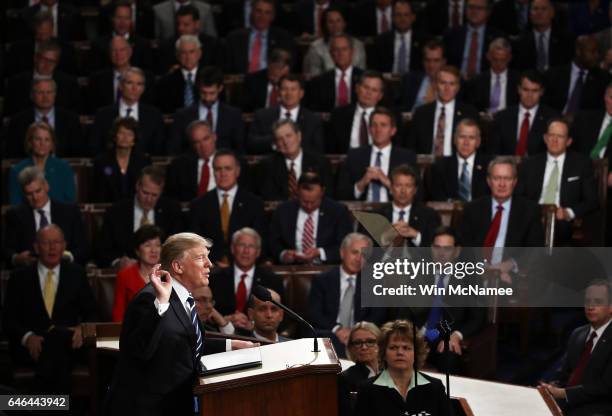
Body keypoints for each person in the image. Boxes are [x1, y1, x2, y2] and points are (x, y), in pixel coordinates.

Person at [107, 232, 256, 416]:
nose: (209, 264)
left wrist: (231, 345)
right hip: (148, 408)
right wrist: (161, 303)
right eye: (201, 258)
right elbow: (138, 351)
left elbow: (182, 343)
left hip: (176, 403)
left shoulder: (184, 297)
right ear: (178, 266)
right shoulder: (150, 299)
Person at [2, 225, 98, 393]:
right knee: (58, 348)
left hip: (70, 345)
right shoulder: (19, 277)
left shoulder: (77, 273)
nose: (52, 248)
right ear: (36, 247)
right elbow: (8, 319)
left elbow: (92, 312)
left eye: (57, 242)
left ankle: (42, 407)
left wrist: (81, 329)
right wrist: (27, 337)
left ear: (64, 246)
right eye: (46, 243)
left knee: (58, 341)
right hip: (32, 348)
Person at [394, 226, 485, 374]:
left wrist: (456, 335)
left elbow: (478, 318)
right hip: (416, 337)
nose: (441, 253)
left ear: (457, 251)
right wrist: (408, 334)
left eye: (447, 249)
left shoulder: (470, 278)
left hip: (445, 338)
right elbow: (403, 310)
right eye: (437, 247)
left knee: (449, 356)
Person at [460, 156, 544, 283]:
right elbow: (464, 246)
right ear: (489, 181)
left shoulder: (530, 211)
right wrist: (480, 267)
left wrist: (510, 264)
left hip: (511, 275)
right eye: (497, 178)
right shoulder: (472, 209)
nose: (502, 184)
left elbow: (535, 249)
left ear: (514, 181)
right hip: (475, 274)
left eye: (507, 178)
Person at [516, 118, 598, 244]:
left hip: (562, 220)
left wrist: (568, 213)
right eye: (551, 135)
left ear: (569, 141)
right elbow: (518, 196)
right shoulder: (529, 164)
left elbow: (591, 200)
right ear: (545, 138)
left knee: (551, 227)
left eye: (560, 136)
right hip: (533, 216)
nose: (554, 140)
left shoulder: (581, 164)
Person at [540, 279, 612, 416]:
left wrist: (563, 393)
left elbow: (606, 387)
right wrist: (551, 386)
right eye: (588, 301)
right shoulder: (578, 333)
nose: (591, 306)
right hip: (568, 402)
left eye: (598, 302)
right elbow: (564, 373)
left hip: (599, 407)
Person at [308, 233, 387, 356]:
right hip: (330, 333)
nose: (358, 259)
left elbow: (377, 316)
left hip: (361, 337)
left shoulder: (376, 282)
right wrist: (337, 330)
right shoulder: (323, 280)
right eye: (354, 252)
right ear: (342, 253)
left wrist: (356, 332)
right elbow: (315, 314)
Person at [355, 320, 451, 416]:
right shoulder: (367, 389)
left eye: (406, 348)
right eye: (393, 347)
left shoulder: (435, 387)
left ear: (416, 353)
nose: (400, 352)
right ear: (384, 353)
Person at [97, 165, 184, 268]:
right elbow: (102, 249)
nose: (149, 199)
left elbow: (178, 247)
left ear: (161, 192)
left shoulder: (172, 210)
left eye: (154, 195)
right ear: (137, 186)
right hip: (127, 272)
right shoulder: (116, 212)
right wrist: (118, 262)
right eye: (145, 193)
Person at [189, 149, 265, 265]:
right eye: (218, 169)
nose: (223, 173)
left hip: (243, 267)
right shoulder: (199, 205)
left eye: (228, 168)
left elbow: (259, 242)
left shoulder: (254, 204)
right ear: (213, 172)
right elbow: (194, 244)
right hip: (209, 269)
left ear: (237, 171)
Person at [4, 166, 88, 268]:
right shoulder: (15, 216)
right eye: (29, 194)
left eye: (38, 191)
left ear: (46, 186)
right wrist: (17, 259)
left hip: (64, 270)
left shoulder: (70, 212)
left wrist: (67, 257)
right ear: (23, 194)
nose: (35, 197)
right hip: (31, 273)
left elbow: (83, 249)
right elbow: (7, 251)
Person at [269, 171, 353, 265]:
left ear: (322, 192)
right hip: (292, 267)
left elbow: (346, 245)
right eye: (304, 202)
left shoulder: (338, 211)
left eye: (313, 202)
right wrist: (283, 254)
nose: (309, 206)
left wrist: (320, 252)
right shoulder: (283, 211)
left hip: (326, 268)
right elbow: (272, 242)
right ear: (297, 192)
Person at [208, 228, 284, 330]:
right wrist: (224, 320)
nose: (246, 251)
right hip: (222, 335)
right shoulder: (215, 279)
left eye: (251, 246)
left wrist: (255, 325)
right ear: (233, 248)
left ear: (258, 252)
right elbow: (206, 313)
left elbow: (282, 317)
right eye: (242, 245)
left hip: (258, 337)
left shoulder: (273, 280)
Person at [336, 107, 417, 201]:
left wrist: (387, 182)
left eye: (383, 125)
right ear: (370, 130)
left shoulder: (406, 157)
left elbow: (416, 195)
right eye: (374, 125)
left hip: (393, 211)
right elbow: (341, 194)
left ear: (393, 131)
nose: (378, 130)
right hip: (362, 212)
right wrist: (362, 183)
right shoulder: (354, 156)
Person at [170, 66, 245, 155]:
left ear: (220, 88)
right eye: (203, 93)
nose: (207, 98)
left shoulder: (233, 115)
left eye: (212, 93)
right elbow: (174, 150)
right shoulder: (182, 115)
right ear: (198, 88)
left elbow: (240, 149)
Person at [92, 66, 165, 156]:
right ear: (120, 86)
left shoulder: (154, 115)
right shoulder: (103, 115)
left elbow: (159, 149)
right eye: (129, 83)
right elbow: (95, 148)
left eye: (139, 84)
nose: (134, 88)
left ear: (143, 89)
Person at [408, 65, 478, 155]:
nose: (447, 89)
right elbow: (411, 147)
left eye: (452, 84)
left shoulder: (469, 113)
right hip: (426, 165)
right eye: (443, 83)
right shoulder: (421, 113)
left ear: (457, 87)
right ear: (435, 85)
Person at [327, 71, 403, 154]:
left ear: (380, 96)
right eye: (366, 87)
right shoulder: (338, 115)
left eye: (374, 90)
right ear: (357, 88)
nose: (369, 93)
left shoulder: (392, 116)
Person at [5, 77, 82, 158]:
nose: (45, 97)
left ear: (55, 94)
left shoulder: (71, 119)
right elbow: (11, 154)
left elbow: (78, 153)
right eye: (40, 92)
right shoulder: (17, 121)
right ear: (32, 95)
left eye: (49, 92)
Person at [247, 74, 324, 154]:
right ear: (279, 92)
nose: (289, 93)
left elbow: (317, 150)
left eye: (293, 89)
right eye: (284, 89)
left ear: (301, 93)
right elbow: (252, 144)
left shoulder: (313, 120)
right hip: (271, 162)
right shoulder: (262, 115)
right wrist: (276, 142)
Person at [489, 70, 559, 155]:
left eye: (535, 91)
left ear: (541, 92)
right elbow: (494, 152)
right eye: (526, 90)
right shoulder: (502, 117)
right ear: (519, 90)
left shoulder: (552, 119)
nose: (529, 95)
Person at [258, 119, 332, 200]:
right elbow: (269, 196)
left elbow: (327, 195)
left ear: (299, 136)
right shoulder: (267, 165)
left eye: (289, 136)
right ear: (276, 144)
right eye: (280, 139)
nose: (285, 142)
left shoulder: (320, 162)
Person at [4, 40, 80, 117]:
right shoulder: (16, 82)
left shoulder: (69, 83)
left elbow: (75, 114)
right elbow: (9, 114)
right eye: (44, 59)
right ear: (35, 58)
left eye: (52, 61)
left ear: (57, 63)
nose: (47, 65)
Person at [373, 164, 441, 248]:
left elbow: (436, 247)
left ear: (415, 190)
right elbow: (365, 248)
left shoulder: (429, 215)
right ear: (391, 188)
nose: (403, 191)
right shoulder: (377, 215)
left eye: (408, 186)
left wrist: (416, 236)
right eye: (398, 185)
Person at [9, 122, 76, 205]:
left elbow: (70, 203)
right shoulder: (17, 170)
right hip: (28, 217)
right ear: (30, 142)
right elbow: (16, 206)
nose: (42, 143)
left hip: (59, 216)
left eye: (47, 139)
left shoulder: (64, 168)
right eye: (38, 139)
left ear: (52, 144)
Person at [543, 35, 609, 117]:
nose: (597, 55)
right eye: (592, 51)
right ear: (578, 51)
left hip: (584, 124)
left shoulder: (603, 79)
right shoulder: (554, 74)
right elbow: (545, 105)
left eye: (598, 52)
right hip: (554, 121)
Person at [427, 118, 491, 202]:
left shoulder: (489, 166)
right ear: (455, 139)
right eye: (462, 137)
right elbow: (438, 200)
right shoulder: (440, 167)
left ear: (478, 142)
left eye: (471, 138)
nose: (466, 143)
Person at [224, 0, 296, 73]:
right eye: (258, 11)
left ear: (272, 16)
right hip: (241, 82)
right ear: (251, 13)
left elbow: (287, 67)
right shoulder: (234, 38)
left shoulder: (283, 38)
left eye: (267, 13)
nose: (262, 16)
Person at [92, 117, 152, 203]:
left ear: (134, 140)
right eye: (121, 133)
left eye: (129, 134)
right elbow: (98, 193)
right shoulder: (101, 161)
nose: (125, 137)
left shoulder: (144, 161)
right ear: (115, 137)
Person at [112, 225, 164, 322]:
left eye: (157, 245)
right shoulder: (125, 276)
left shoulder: (167, 275)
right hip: (133, 331)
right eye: (148, 245)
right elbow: (118, 314)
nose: (154, 250)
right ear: (137, 251)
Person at [442, 0, 504, 80]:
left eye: (479, 8)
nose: (474, 11)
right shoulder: (451, 34)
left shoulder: (498, 37)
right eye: (471, 7)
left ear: (488, 12)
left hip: (485, 83)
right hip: (456, 82)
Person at [156, 4, 224, 74]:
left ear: (197, 24)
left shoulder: (213, 45)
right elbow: (161, 74)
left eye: (186, 24)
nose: (180, 28)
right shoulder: (166, 46)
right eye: (178, 24)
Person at [302, 6, 366, 79]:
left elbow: (362, 75)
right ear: (325, 25)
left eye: (338, 21)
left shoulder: (358, 45)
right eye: (330, 22)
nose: (335, 25)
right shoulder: (316, 47)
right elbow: (314, 77)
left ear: (344, 23)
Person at [306, 33, 365, 112]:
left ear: (352, 52)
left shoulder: (364, 78)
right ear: (331, 54)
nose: (340, 53)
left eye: (344, 49)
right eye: (336, 50)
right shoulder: (319, 82)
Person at [90, 0, 153, 72]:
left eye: (126, 18)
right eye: (119, 17)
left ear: (131, 21)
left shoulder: (143, 45)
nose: (122, 22)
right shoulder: (98, 45)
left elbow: (148, 75)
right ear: (112, 19)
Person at [513, 0, 575, 71]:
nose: (539, 13)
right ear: (530, 14)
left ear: (552, 13)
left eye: (544, 9)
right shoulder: (519, 42)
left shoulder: (566, 40)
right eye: (535, 9)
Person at [164, 120, 218, 202]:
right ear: (192, 145)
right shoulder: (179, 166)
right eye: (197, 142)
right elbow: (171, 198)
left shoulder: (231, 162)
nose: (203, 145)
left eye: (206, 139)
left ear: (214, 136)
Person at [369, 0, 427, 75]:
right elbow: (375, 70)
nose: (402, 19)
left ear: (413, 17)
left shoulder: (424, 41)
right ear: (392, 17)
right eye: (398, 15)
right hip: (387, 82)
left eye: (406, 15)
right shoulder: (380, 41)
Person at [465, 37, 520, 113]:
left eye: (503, 60)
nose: (498, 64)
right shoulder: (477, 81)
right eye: (495, 59)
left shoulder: (518, 80)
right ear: (488, 56)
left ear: (509, 58)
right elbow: (472, 107)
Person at [337, 321, 381, 416]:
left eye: (370, 341)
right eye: (357, 343)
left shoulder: (393, 372)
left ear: (381, 344)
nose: (364, 347)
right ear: (351, 348)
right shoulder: (344, 379)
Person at [154, 34, 203, 114]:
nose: (188, 57)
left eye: (191, 52)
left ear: (199, 54)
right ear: (177, 55)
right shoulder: (165, 82)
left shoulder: (209, 77)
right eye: (183, 53)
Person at [397, 39, 446, 111]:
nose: (431, 65)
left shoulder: (451, 83)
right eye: (428, 60)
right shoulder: (409, 80)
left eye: (436, 61)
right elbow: (399, 107)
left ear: (443, 62)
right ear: (423, 61)